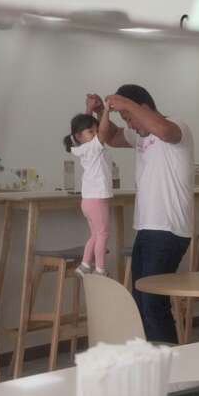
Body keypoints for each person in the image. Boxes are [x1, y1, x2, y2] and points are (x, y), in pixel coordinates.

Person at [87, 85, 194, 344]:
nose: (130, 125)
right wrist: (101, 111)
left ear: (142, 107)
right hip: (147, 229)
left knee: (153, 304)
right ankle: (155, 360)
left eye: (129, 118)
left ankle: (169, 364)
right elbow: (111, 136)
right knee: (142, 301)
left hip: (169, 230)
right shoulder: (140, 136)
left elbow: (165, 131)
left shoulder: (175, 126)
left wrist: (125, 104)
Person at [63, 112, 114, 276]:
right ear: (79, 136)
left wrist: (89, 109)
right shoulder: (93, 147)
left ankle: (85, 265)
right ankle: (100, 269)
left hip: (88, 201)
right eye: (91, 132)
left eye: (96, 130)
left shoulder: (82, 148)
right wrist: (106, 110)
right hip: (97, 199)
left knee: (96, 235)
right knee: (103, 234)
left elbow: (86, 127)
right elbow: (104, 131)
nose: (96, 134)